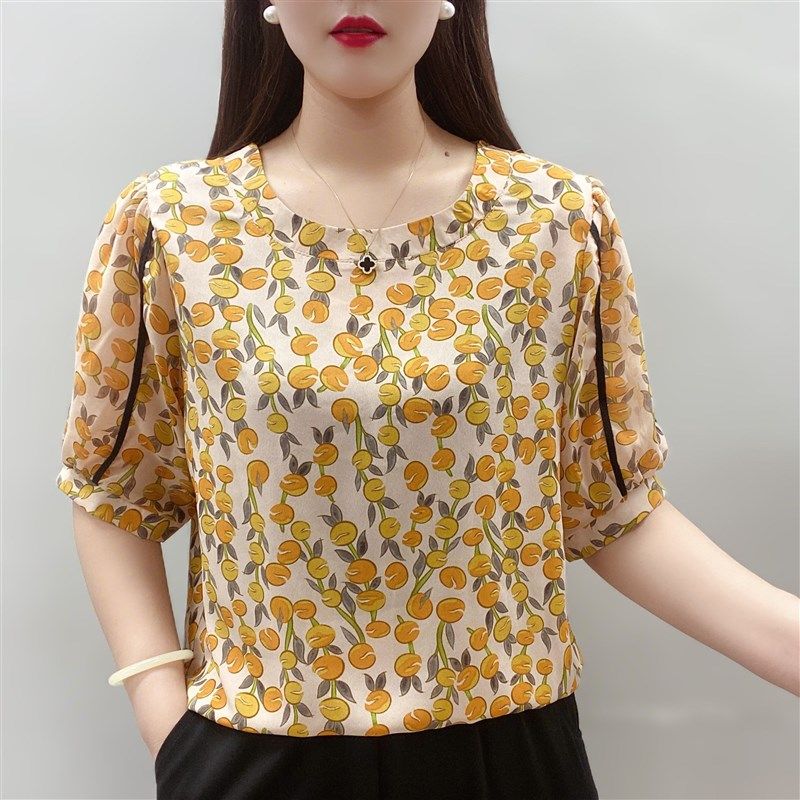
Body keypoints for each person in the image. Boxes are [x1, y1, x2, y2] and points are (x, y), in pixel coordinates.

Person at [55, 2, 800, 799]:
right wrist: (169, 728)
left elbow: (606, 505)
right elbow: (115, 490)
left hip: (505, 759)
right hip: (257, 753)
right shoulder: (172, 225)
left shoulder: (557, 222)